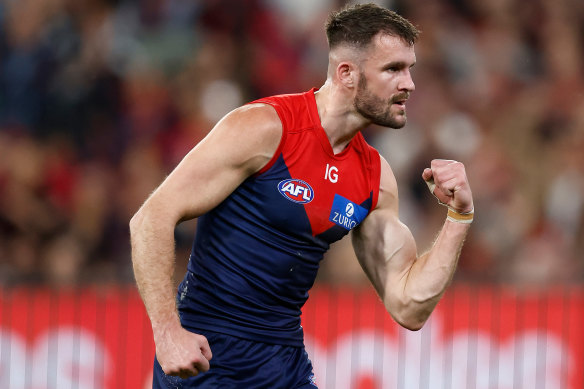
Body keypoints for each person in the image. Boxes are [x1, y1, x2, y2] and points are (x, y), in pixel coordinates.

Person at [130, 3, 474, 388]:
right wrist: (167, 333)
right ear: (346, 73)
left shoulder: (374, 178)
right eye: (393, 69)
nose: (409, 83)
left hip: (284, 365)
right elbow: (150, 218)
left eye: (410, 69)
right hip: (207, 358)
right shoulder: (264, 127)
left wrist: (459, 218)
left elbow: (408, 305)